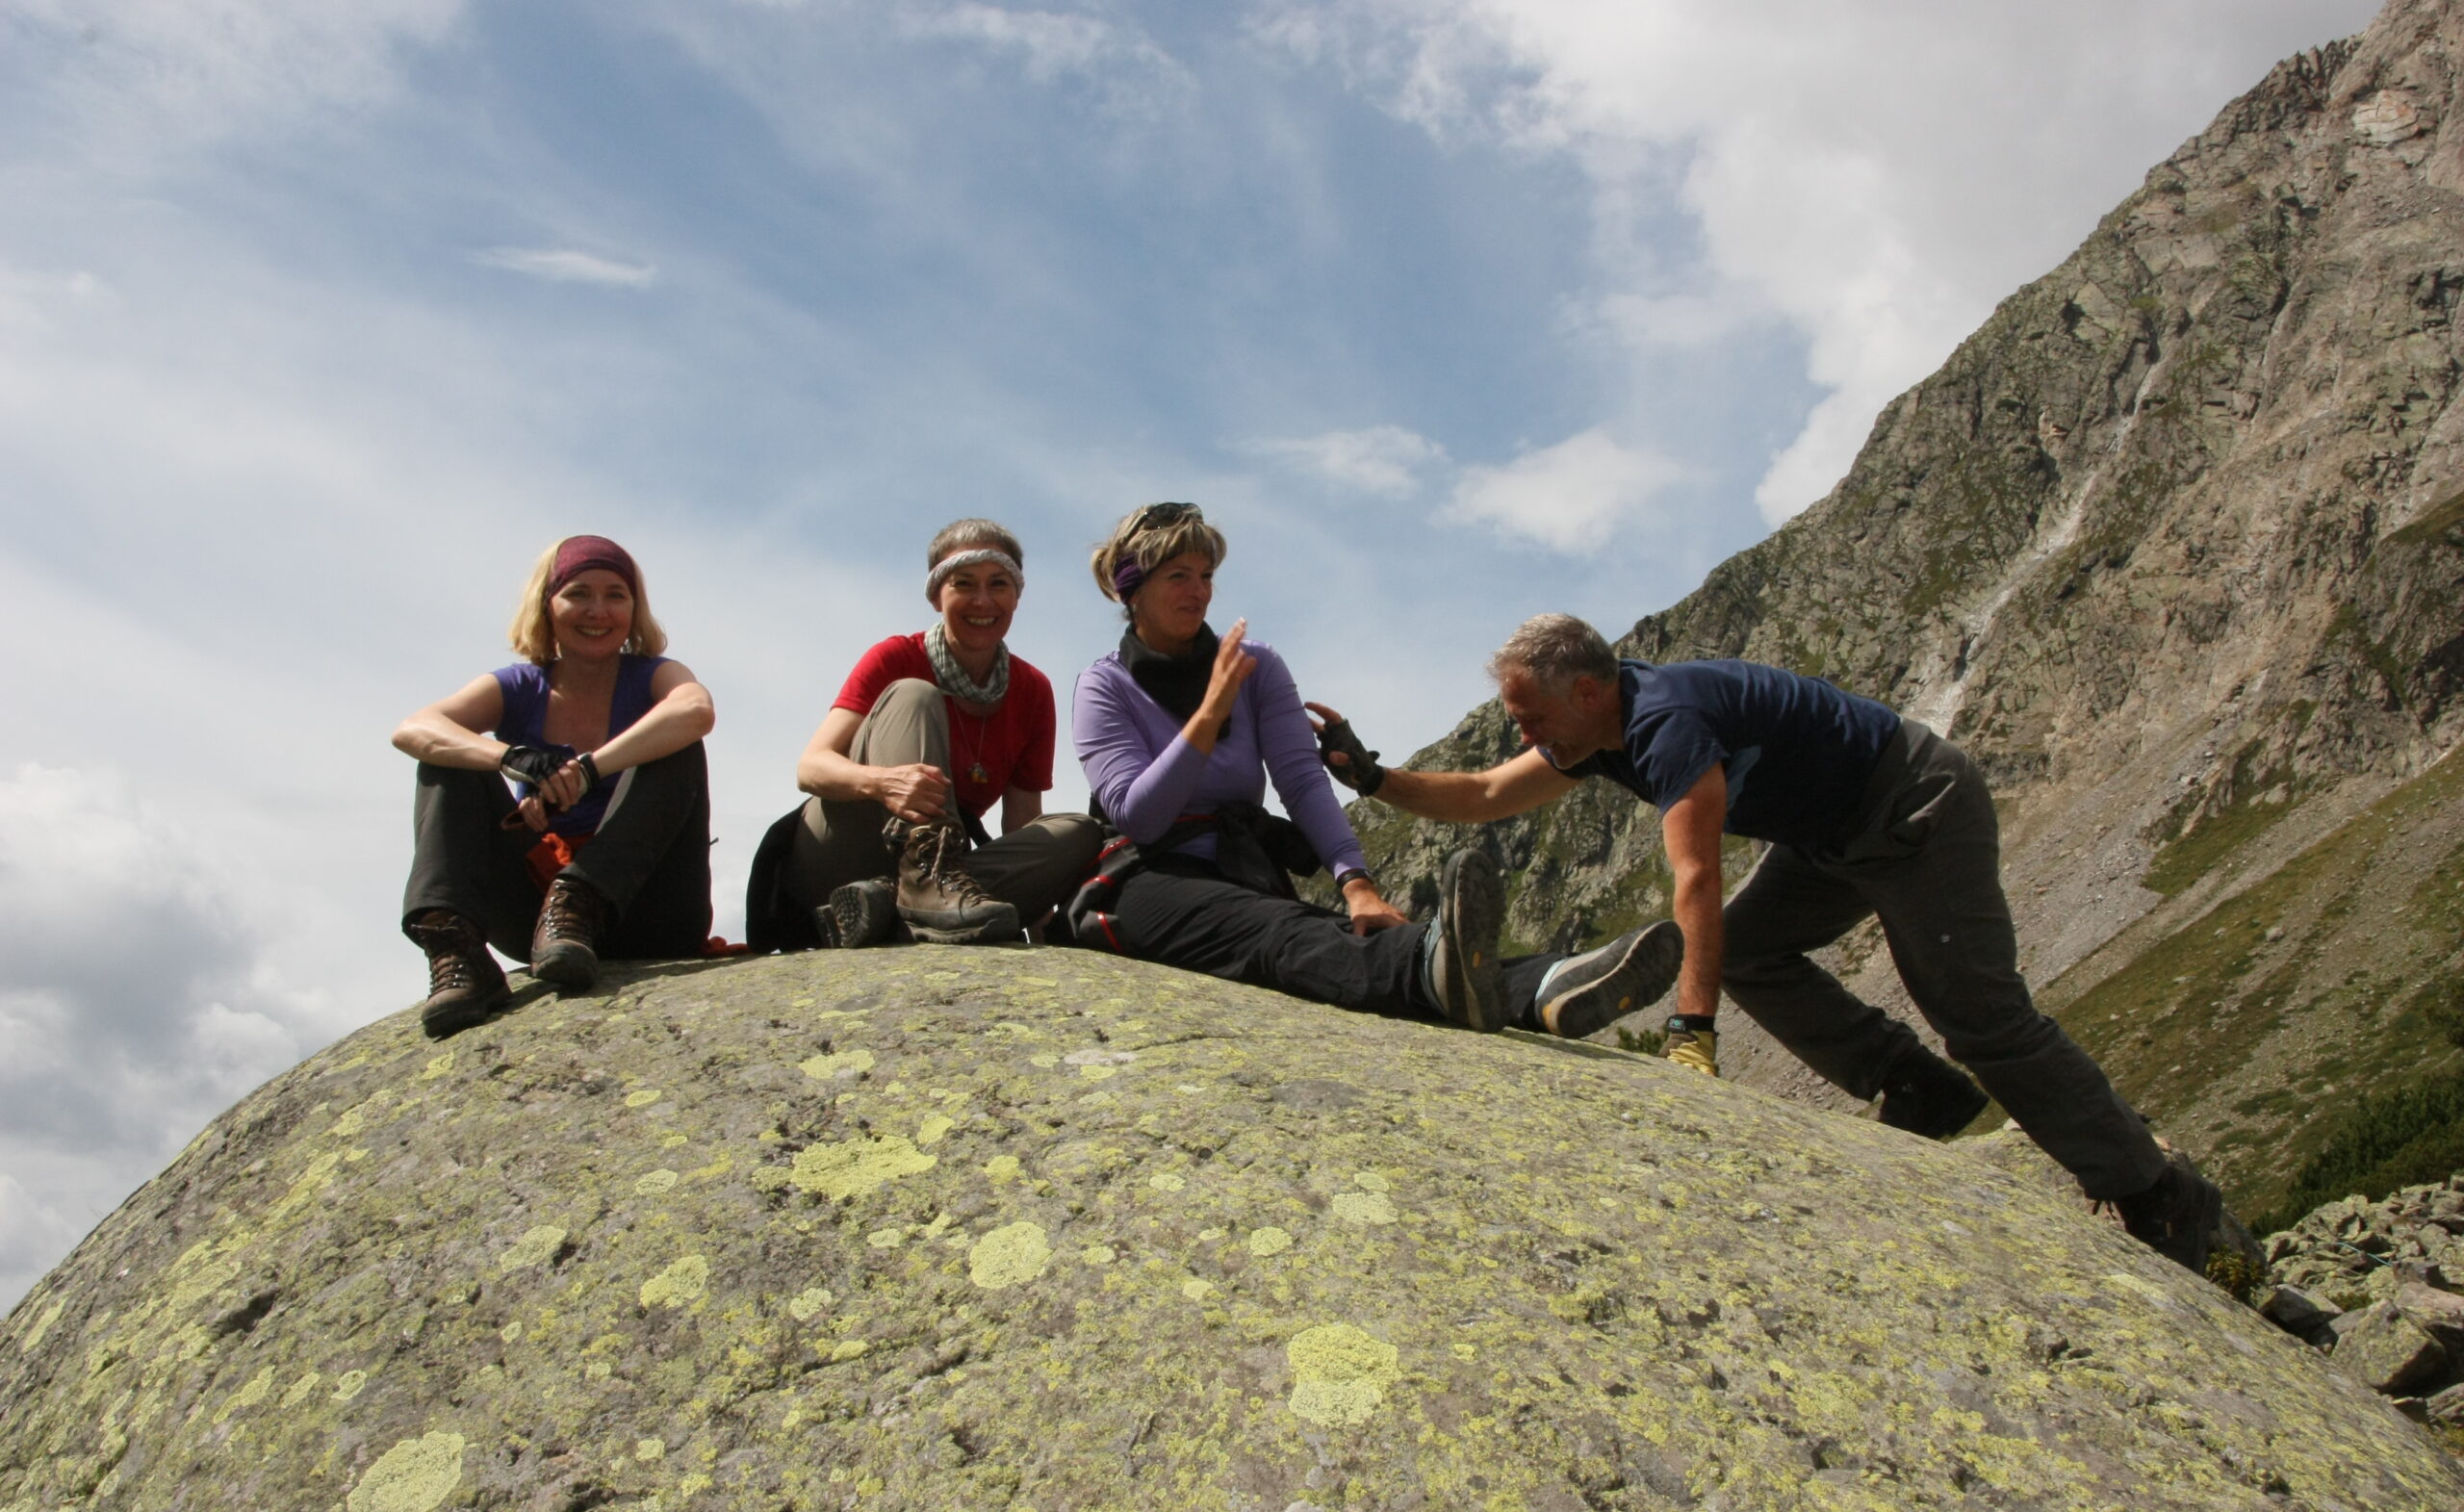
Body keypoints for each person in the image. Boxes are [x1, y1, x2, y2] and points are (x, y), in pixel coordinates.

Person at [1309, 612, 2223, 1270]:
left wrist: (1691, 1035)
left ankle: (2155, 1192)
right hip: (1833, 838)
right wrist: (1374, 775)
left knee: (1983, 1018)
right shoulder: (1595, 729)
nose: (1525, 734)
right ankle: (1916, 1085)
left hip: (1916, 808)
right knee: (1749, 949)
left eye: (1532, 717)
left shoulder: (1665, 722)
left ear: (1586, 691)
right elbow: (1483, 793)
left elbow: (1696, 879)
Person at [1072, 503, 1680, 1036]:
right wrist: (1208, 716)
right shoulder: (1103, 686)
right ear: (1132, 588)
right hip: (1143, 879)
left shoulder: (1256, 666)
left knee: (1326, 931)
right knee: (1281, 934)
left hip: (1239, 874)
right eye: (1178, 576)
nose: (1200, 592)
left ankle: (1543, 984)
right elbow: (1140, 817)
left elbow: (1301, 781)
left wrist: (1357, 885)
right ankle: (1458, 968)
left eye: (1206, 576)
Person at [392, 534, 717, 1038]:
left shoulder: (656, 676)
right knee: (446, 756)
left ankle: (579, 901)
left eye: (615, 595)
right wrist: (511, 758)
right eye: (578, 593)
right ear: (547, 606)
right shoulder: (519, 686)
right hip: (539, 926)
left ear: (634, 609)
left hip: (651, 910)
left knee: (677, 743)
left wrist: (588, 770)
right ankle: (456, 952)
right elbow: (413, 728)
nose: (598, 610)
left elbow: (695, 710)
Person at [755, 519, 1101, 949]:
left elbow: (1022, 821)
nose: (982, 600)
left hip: (945, 876)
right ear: (937, 595)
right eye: (963, 583)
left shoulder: (1032, 689)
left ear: (1017, 595)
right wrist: (882, 783)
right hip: (842, 848)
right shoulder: (896, 656)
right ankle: (918, 892)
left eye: (998, 584)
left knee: (1079, 831)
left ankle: (885, 909)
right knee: (914, 695)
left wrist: (1040, 910)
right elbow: (810, 768)